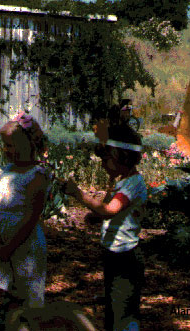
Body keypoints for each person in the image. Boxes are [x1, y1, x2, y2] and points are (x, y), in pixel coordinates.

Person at [60, 124, 147, 331]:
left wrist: (79, 194)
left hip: (126, 257)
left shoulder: (132, 184)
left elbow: (110, 209)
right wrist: (96, 216)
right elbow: (108, 212)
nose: (102, 164)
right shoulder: (122, 182)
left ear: (121, 157)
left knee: (123, 313)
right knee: (114, 308)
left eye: (105, 160)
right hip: (114, 255)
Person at [0, 112, 50, 316]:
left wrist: (10, 246)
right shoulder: (6, 171)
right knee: (6, 297)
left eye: (10, 145)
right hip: (1, 244)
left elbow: (31, 217)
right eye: (4, 145)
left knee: (25, 299)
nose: (6, 150)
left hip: (25, 246)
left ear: (28, 145)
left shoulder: (36, 175)